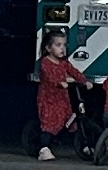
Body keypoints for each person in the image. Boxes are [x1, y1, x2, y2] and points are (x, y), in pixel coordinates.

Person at [33, 31, 81, 160]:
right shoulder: (45, 62)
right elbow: (49, 76)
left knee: (68, 118)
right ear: (48, 48)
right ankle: (43, 149)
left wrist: (84, 81)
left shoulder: (64, 62)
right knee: (49, 121)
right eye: (58, 45)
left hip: (62, 97)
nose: (62, 48)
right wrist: (59, 83)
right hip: (49, 98)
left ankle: (82, 144)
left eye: (64, 45)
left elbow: (73, 71)